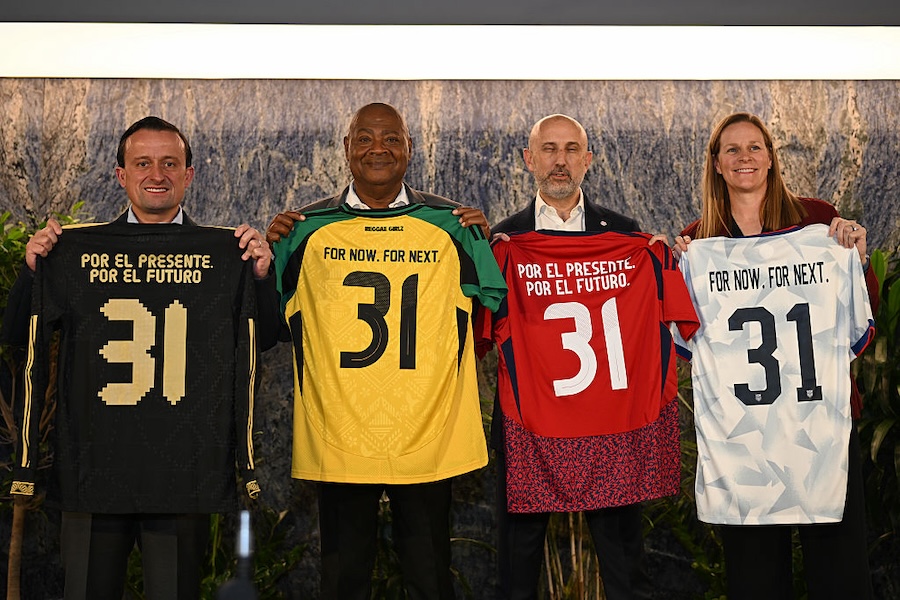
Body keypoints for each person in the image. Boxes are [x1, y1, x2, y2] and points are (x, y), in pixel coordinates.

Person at [3, 116, 273, 600]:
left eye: (170, 163)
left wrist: (257, 278)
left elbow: (268, 336)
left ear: (189, 175)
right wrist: (31, 273)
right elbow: (17, 332)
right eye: (142, 162)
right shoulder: (76, 252)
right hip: (94, 469)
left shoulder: (225, 252)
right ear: (120, 174)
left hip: (183, 471)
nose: (157, 174)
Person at [263, 102, 506, 600]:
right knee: (343, 578)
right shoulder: (301, 230)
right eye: (366, 138)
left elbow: (495, 302)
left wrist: (485, 237)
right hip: (341, 430)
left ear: (410, 149)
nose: (379, 148)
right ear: (347, 148)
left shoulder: (453, 224)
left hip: (425, 429)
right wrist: (269, 255)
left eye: (392, 138)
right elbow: (270, 321)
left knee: (429, 576)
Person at [673, 112, 879, 600]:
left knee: (841, 573)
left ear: (770, 159)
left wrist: (856, 257)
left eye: (755, 148)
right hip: (744, 439)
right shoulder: (699, 241)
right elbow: (688, 341)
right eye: (732, 150)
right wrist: (677, 273)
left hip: (820, 427)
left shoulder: (817, 221)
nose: (745, 157)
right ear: (716, 165)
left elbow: (859, 315)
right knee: (756, 579)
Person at [487, 114, 670, 600]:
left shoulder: (627, 236)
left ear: (588, 161)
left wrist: (665, 255)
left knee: (623, 557)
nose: (560, 160)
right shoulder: (504, 243)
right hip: (532, 421)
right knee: (518, 557)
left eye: (571, 149)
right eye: (549, 149)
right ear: (529, 160)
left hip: (607, 417)